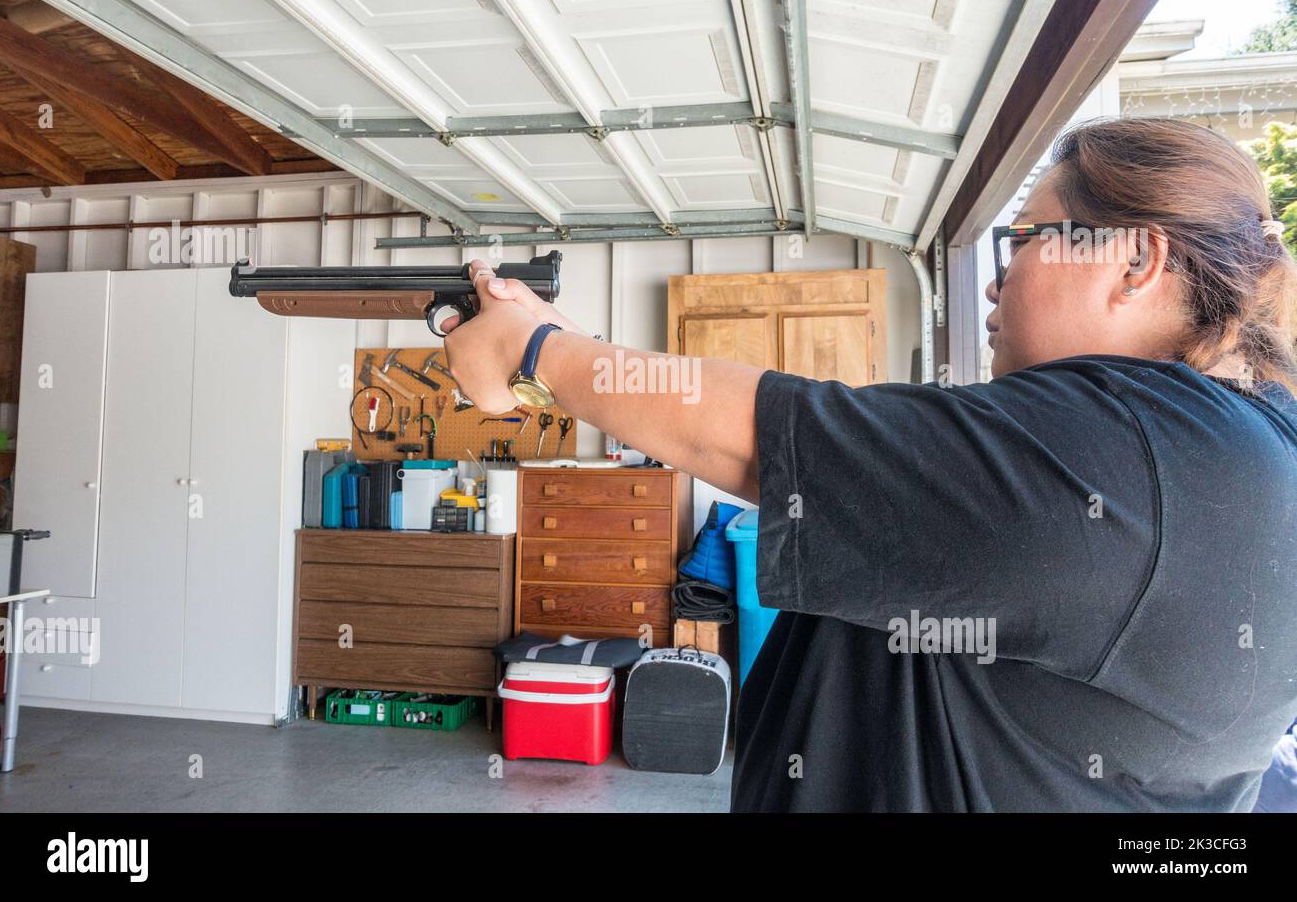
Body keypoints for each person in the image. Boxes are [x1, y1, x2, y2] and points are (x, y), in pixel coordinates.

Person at [444, 117, 1297, 812]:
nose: (998, 286)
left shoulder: (1128, 449)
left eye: (1024, 241)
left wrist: (538, 353)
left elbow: (767, 437)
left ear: (1135, 263)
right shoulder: (1248, 449)